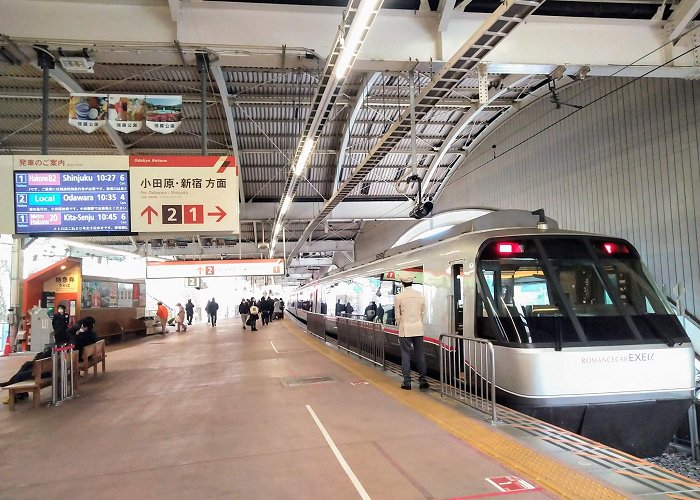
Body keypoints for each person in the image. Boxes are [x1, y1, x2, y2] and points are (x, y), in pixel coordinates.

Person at [394, 273, 428, 391]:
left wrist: (401, 325)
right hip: (418, 328)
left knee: (405, 355)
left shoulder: (399, 297)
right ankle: (423, 381)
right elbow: (423, 313)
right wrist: (418, 322)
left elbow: (397, 316)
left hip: (405, 329)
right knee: (420, 355)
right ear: (412, 282)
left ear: (402, 283)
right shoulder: (421, 296)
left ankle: (407, 382)